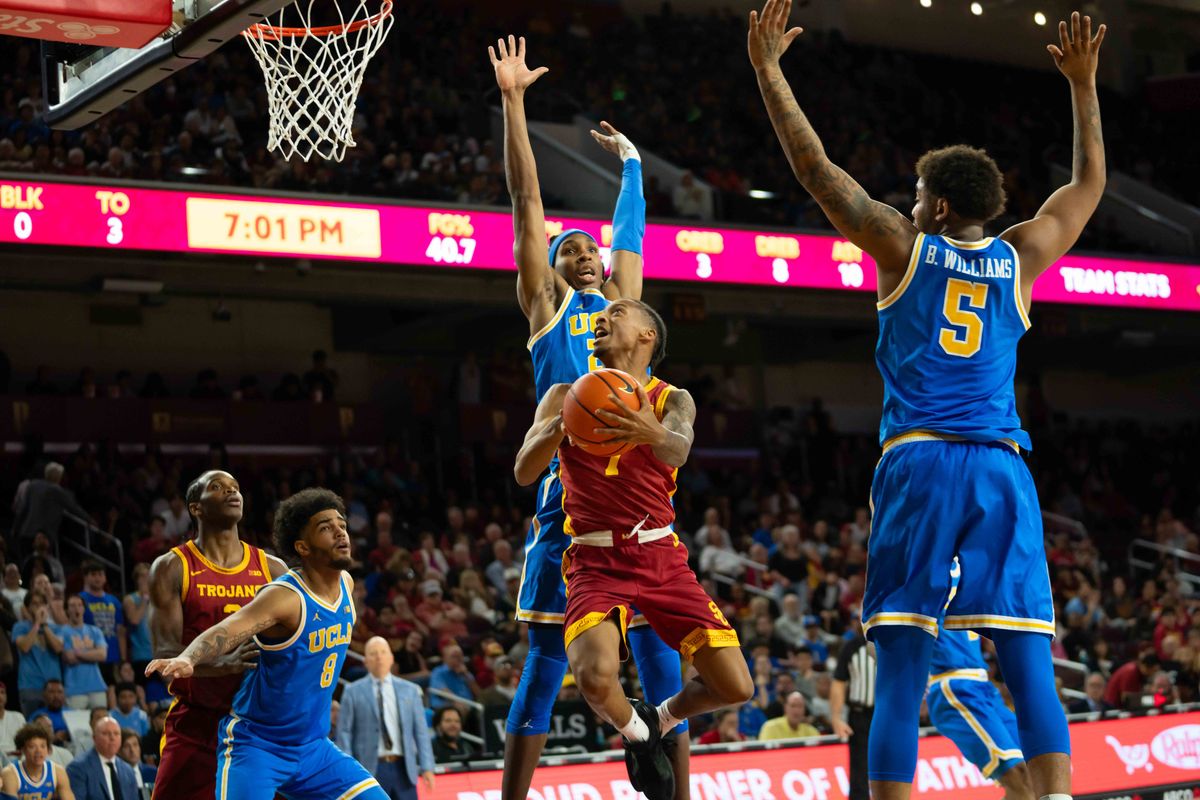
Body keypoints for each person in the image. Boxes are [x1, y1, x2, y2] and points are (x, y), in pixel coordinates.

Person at [750, 3, 1107, 798]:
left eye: (916, 191)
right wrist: (1082, 85)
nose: (907, 199)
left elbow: (816, 172)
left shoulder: (904, 247)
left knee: (905, 657)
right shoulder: (1021, 257)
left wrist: (770, 72)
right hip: (1002, 467)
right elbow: (1086, 185)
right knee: (1025, 660)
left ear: (939, 206)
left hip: (919, 461)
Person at [489, 32, 689, 800]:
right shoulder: (547, 309)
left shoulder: (621, 311)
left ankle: (673, 788)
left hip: (637, 490)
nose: (580, 252)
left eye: (587, 249)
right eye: (567, 247)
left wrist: (635, 168)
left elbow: (631, 238)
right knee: (543, 670)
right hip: (566, 501)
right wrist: (514, 104)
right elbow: (527, 202)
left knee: (665, 663)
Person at [514, 298, 753, 800]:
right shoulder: (563, 393)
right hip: (595, 557)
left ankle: (658, 719)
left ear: (648, 336)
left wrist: (650, 429)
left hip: (660, 554)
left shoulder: (673, 399)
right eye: (601, 318)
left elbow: (680, 447)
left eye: (618, 313)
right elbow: (523, 471)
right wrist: (561, 424)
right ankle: (641, 738)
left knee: (736, 686)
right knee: (594, 678)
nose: (603, 318)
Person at [146, 488, 388, 800]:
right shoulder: (285, 596)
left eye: (341, 525)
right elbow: (230, 628)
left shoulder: (346, 584)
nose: (341, 532)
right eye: (326, 528)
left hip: (314, 748)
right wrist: (190, 657)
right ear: (302, 546)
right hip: (258, 746)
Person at [145, 470, 286, 800]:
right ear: (196, 508)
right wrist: (225, 664)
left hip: (260, 727)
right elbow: (166, 652)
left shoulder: (273, 568)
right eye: (218, 488)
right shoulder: (172, 567)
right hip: (197, 723)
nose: (232, 492)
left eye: (235, 488)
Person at [928, 629, 1033, 799]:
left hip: (985, 685)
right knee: (1015, 773)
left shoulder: (970, 601)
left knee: (1032, 772)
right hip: (955, 685)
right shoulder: (925, 601)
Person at [336, 637, 435, 800]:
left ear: (391, 658)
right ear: (366, 661)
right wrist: (348, 771)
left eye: (383, 652)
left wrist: (427, 767)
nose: (379, 657)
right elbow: (344, 733)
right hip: (368, 769)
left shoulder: (410, 690)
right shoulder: (352, 691)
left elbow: (421, 732)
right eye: (373, 654)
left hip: (403, 768)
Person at [830, 624, 875, 800]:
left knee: (892, 765)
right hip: (860, 715)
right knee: (859, 770)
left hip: (888, 714)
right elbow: (838, 682)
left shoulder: (896, 642)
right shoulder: (852, 647)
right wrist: (836, 718)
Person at [12, 464, 89, 549]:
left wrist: (15, 529)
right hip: (43, 537)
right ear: (58, 476)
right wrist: (89, 519)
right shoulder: (56, 490)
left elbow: (23, 510)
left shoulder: (32, 485)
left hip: (26, 532)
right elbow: (73, 507)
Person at [13, 593, 64, 716]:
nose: (38, 607)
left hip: (54, 686)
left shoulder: (55, 628)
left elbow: (58, 648)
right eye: (34, 604)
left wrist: (44, 625)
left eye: (41, 603)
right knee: (33, 724)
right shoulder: (19, 627)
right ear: (27, 608)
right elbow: (25, 647)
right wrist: (36, 624)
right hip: (30, 685)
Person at [66, 718, 139, 800]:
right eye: (106, 734)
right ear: (94, 738)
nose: (112, 738)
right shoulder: (78, 768)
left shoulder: (128, 770)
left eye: (116, 733)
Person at [1, 723, 74, 799]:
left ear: (48, 750)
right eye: (32, 747)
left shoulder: (58, 772)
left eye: (43, 746)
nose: (38, 751)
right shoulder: (10, 774)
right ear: (23, 749)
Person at [58, 597, 107, 711]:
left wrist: (78, 653)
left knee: (101, 723)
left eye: (80, 605)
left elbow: (102, 655)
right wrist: (92, 654)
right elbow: (69, 658)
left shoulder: (95, 631)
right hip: (74, 689)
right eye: (72, 605)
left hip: (97, 687)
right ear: (66, 610)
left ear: (84, 609)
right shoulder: (62, 631)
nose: (77, 608)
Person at [78, 562, 126, 678]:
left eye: (100, 574)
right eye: (93, 574)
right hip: (91, 655)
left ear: (105, 577)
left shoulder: (113, 600)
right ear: (86, 577)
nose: (97, 578)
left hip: (113, 655)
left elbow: (120, 631)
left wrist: (123, 658)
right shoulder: (80, 599)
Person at [0, 684, 26, 754]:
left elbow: (26, 740)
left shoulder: (18, 717)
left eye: (2, 692)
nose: (0, 696)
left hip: (18, 757)